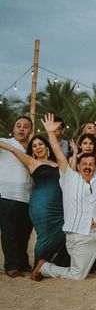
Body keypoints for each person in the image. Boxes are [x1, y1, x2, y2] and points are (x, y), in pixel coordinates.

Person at [32, 114, 96, 281]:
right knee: (77, 276)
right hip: (79, 237)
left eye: (91, 164)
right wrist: (51, 134)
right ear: (78, 166)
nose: (88, 166)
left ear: (95, 167)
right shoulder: (69, 179)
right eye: (84, 164)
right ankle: (44, 267)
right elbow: (59, 156)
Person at [0, 134, 67, 267]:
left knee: (62, 233)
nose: (38, 147)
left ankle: (53, 264)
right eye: (34, 146)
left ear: (47, 146)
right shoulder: (31, 161)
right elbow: (13, 150)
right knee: (44, 235)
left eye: (40, 144)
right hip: (41, 205)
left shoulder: (58, 163)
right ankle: (38, 266)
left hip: (59, 204)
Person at [0, 116, 33, 277]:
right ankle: (11, 265)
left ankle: (23, 262)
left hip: (28, 197)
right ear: (13, 129)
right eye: (18, 126)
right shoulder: (6, 143)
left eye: (25, 126)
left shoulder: (33, 148)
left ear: (31, 130)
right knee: (9, 233)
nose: (21, 128)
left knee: (24, 233)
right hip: (7, 195)